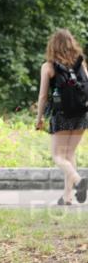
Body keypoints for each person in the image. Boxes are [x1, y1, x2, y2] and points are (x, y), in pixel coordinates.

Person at [36, 29, 88, 205]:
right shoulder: (81, 65)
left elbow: (43, 96)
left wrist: (39, 118)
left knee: (58, 156)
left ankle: (79, 181)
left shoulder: (48, 67)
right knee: (70, 153)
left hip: (61, 115)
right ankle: (68, 197)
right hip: (81, 114)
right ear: (72, 44)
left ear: (53, 46)